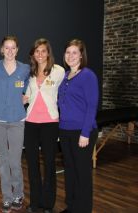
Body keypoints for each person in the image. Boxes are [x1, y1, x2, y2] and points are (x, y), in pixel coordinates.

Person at [23, 38, 65, 213]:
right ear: (33, 54)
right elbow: (28, 94)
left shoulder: (58, 71)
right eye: (36, 51)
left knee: (49, 164)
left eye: (43, 51)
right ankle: (35, 202)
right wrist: (24, 97)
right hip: (31, 123)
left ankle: (48, 203)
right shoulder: (30, 73)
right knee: (32, 165)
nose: (40, 54)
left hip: (49, 123)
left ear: (48, 52)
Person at [58, 39, 99, 213]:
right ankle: (72, 206)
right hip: (65, 130)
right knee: (70, 171)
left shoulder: (88, 75)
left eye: (74, 52)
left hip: (82, 132)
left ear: (81, 55)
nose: (71, 56)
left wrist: (85, 133)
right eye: (68, 52)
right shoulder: (65, 76)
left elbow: (92, 106)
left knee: (82, 173)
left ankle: (83, 209)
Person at [0, 35, 30, 213]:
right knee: (3, 161)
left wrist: (27, 95)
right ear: (1, 49)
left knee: (15, 161)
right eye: (7, 47)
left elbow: (33, 84)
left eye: (13, 48)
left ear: (17, 50)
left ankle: (18, 194)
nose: (10, 51)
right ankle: (7, 196)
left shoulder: (25, 68)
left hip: (16, 120)